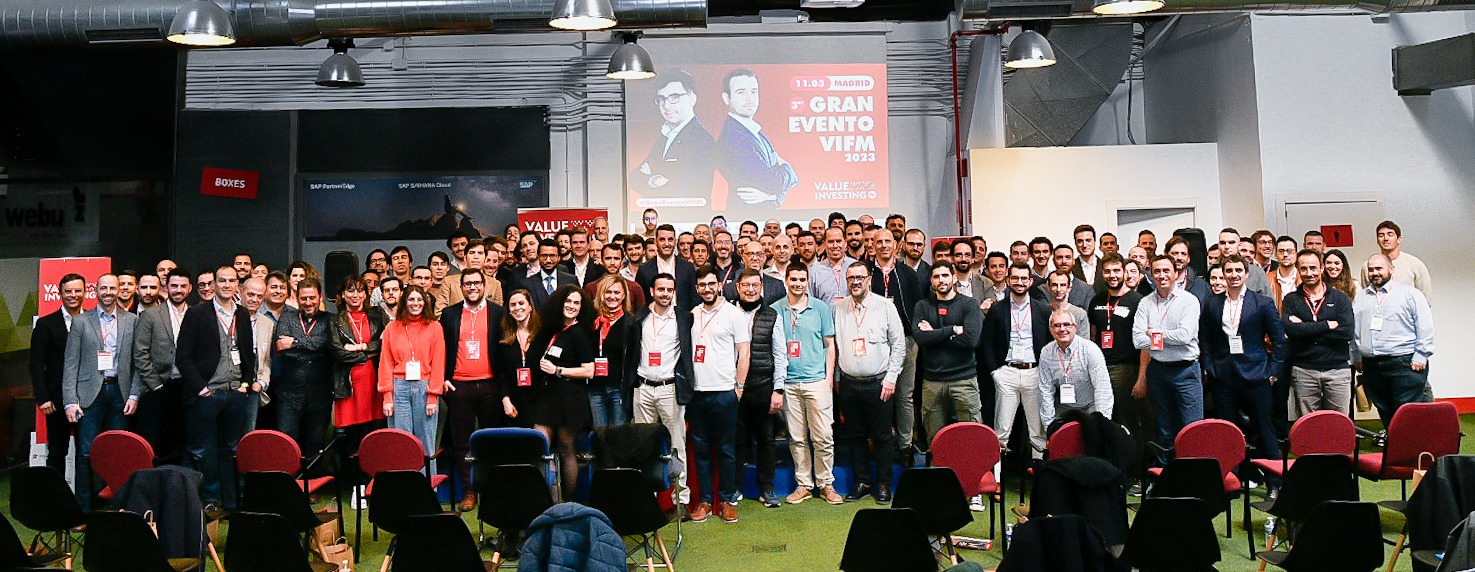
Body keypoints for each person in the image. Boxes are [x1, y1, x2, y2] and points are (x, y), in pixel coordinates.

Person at [174, 266, 255, 510]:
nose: (226, 285)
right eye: (222, 281)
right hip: (207, 394)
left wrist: (245, 385)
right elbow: (183, 357)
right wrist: (201, 389)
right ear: (214, 284)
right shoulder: (197, 314)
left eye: (231, 281)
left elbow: (248, 354)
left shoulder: (242, 313)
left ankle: (231, 503)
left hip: (235, 393)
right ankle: (207, 500)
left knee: (231, 449)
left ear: (237, 285)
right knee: (203, 450)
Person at [1200, 255, 1286, 462]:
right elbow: (1205, 338)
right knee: (1228, 432)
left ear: (1246, 274)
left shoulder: (1262, 303)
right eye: (1229, 271)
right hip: (1223, 376)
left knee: (1265, 429)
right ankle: (1232, 475)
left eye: (1238, 270)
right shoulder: (1212, 303)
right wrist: (1210, 366)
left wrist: (1273, 372)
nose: (1234, 275)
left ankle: (1274, 476)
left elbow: (1279, 340)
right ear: (1223, 274)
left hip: (1256, 375)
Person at [683, 266, 751, 522]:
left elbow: (744, 352)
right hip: (697, 393)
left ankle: (726, 499)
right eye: (702, 285)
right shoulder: (692, 314)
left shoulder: (734, 314)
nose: (707, 289)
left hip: (724, 391)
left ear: (719, 286)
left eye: (711, 284)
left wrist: (739, 387)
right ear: (697, 288)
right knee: (701, 449)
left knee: (726, 449)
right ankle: (704, 501)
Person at [834, 262, 906, 504]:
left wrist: (891, 378)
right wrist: (837, 379)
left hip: (879, 383)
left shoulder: (885, 307)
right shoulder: (839, 308)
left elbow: (899, 345)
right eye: (851, 278)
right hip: (849, 384)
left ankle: (884, 484)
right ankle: (862, 482)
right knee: (855, 436)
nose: (855, 282)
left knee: (882, 437)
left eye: (860, 277)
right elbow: (835, 347)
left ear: (868, 280)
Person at [772, 262, 840, 506]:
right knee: (797, 438)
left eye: (802, 279)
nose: (798, 284)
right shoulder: (775, 309)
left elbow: (829, 345)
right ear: (786, 281)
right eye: (794, 279)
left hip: (817, 381)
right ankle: (804, 485)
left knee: (823, 436)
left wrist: (828, 377)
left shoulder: (820, 308)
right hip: (789, 383)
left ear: (807, 281)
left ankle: (826, 483)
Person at [438, 268, 505, 511]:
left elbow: (504, 349)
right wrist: (444, 379)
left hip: (489, 385)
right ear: (461, 287)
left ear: (484, 286)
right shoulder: (449, 314)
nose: (473, 287)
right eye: (468, 284)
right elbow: (441, 348)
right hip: (459, 386)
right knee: (462, 443)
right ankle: (469, 490)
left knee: (489, 441)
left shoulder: (498, 313)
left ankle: (490, 489)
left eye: (477, 283)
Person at [625, 274, 693, 514]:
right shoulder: (639, 317)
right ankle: (647, 500)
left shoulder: (684, 318)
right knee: (644, 446)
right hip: (642, 388)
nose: (665, 293)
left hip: (670, 388)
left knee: (677, 446)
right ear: (652, 291)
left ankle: (681, 500)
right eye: (661, 289)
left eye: (669, 290)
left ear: (674, 292)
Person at [1088, 254, 1153, 491]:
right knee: (1106, 423)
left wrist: (1142, 378)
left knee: (1130, 424)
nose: (1112, 275)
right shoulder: (1096, 300)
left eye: (1117, 270)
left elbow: (1146, 344)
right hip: (1100, 369)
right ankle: (1112, 473)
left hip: (1128, 369)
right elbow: (1093, 337)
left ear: (1125, 272)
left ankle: (1137, 475)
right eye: (1107, 271)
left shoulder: (1138, 301)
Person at [1133, 255, 1203, 459]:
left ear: (1175, 273)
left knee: (1191, 429)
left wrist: (1153, 333)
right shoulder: (1145, 303)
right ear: (1151, 274)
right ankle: (1165, 472)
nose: (1161, 275)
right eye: (1157, 271)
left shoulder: (1189, 301)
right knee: (1164, 429)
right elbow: (1138, 340)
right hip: (1158, 371)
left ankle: (1190, 471)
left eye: (1166, 271)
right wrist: (1166, 337)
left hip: (1186, 371)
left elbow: (1185, 336)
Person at [1354, 254, 1435, 426]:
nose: (1375, 273)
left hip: (1404, 363)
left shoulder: (1410, 294)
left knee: (1406, 413)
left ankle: (1411, 443)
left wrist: (1421, 355)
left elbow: (1425, 326)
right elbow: (1355, 330)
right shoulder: (1361, 297)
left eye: (1379, 268)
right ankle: (1393, 443)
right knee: (1385, 411)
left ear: (1391, 269)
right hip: (1372, 365)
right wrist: (1356, 356)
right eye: (1371, 269)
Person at [983, 264, 1054, 459]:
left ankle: (1039, 471)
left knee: (1037, 431)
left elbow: (1051, 343)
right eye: (1015, 278)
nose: (1019, 282)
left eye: (1024, 278)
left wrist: (1044, 372)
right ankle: (998, 473)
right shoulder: (997, 309)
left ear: (1030, 281)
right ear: (1008, 280)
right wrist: (995, 372)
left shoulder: (1042, 309)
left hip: (1034, 372)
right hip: (1007, 372)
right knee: (1002, 430)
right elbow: (987, 342)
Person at [327, 275, 386, 508]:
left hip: (375, 383)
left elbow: (383, 344)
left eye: (360, 291)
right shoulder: (335, 320)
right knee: (353, 440)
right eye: (350, 291)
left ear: (365, 294)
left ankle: (376, 485)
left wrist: (360, 347)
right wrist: (367, 354)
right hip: (348, 385)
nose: (355, 295)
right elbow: (337, 352)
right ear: (342, 295)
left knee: (374, 437)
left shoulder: (377, 316)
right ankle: (357, 488)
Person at [535, 285, 596, 501]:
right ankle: (549, 501)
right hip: (548, 396)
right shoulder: (555, 330)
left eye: (576, 303)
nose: (571, 306)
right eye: (568, 301)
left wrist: (558, 370)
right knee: (540, 446)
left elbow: (589, 370)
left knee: (566, 449)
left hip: (570, 397)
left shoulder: (579, 333)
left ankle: (569, 503)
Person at [732, 269, 787, 509]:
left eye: (755, 285)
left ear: (761, 287)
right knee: (736, 440)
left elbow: (780, 354)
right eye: (746, 285)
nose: (751, 289)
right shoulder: (728, 313)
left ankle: (767, 488)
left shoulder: (772, 315)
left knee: (766, 440)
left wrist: (778, 389)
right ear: (738, 287)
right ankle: (734, 487)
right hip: (734, 389)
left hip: (763, 387)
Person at [912, 262, 985, 440]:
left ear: (953, 278)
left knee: (972, 437)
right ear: (931, 280)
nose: (941, 280)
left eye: (945, 275)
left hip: (963, 379)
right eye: (936, 277)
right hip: (932, 381)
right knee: (935, 439)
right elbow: (921, 338)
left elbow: (971, 340)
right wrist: (952, 330)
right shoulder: (922, 306)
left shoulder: (969, 304)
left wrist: (933, 334)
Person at [377, 285, 446, 471]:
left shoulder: (435, 327)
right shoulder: (392, 327)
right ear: (404, 302)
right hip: (399, 388)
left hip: (425, 388)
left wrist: (433, 396)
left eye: (419, 299)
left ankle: (428, 485)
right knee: (401, 442)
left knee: (426, 444)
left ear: (425, 302)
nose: (416, 303)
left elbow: (439, 362)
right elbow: (385, 362)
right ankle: (405, 485)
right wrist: (387, 396)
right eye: (411, 299)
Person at [1282, 250, 1355, 414]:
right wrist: (1326, 325)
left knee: (1338, 422)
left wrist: (1305, 329)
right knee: (1308, 423)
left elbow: (1347, 332)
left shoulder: (1340, 298)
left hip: (1337, 370)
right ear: (1298, 270)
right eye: (1304, 269)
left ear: (1322, 268)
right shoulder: (1291, 300)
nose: (1309, 273)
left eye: (1313, 268)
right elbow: (1290, 330)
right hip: (1304, 371)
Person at [132, 268, 192, 460]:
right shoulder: (151, 315)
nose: (178, 290)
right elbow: (140, 352)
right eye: (174, 286)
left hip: (186, 388)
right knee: (151, 443)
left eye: (183, 286)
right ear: (166, 287)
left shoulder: (196, 314)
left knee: (179, 442)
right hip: (157, 387)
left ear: (190, 288)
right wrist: (155, 384)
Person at [273, 278, 335, 456]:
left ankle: (313, 475)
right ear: (297, 298)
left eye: (312, 298)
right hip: (289, 395)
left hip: (320, 396)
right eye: (303, 298)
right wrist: (315, 349)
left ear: (320, 296)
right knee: (286, 443)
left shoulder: (330, 320)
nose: (308, 302)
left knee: (315, 444)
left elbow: (327, 344)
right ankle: (289, 475)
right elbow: (284, 350)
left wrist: (295, 342)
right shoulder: (287, 317)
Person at [717, 69, 798, 206]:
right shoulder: (735, 139)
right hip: (746, 215)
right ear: (726, 98)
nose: (749, 98)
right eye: (741, 92)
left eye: (753, 92)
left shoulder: (754, 131)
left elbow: (775, 184)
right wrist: (788, 170)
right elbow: (773, 183)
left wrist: (770, 195)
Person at [31, 273, 85, 474]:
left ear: (85, 292)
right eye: (68, 291)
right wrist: (43, 398)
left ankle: (86, 494)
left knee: (87, 452)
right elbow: (36, 363)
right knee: (56, 451)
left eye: (77, 290)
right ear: (60, 293)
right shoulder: (46, 324)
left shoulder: (93, 320)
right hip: (56, 399)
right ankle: (56, 493)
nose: (73, 295)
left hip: (88, 397)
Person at [1037, 308, 1113, 428]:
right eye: (1057, 325)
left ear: (1075, 327)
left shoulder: (1090, 350)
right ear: (1051, 330)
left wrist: (1102, 423)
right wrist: (1049, 426)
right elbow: (1045, 390)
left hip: (1091, 407)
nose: (1062, 329)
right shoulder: (1046, 352)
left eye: (1067, 324)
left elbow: (1102, 389)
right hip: (1064, 408)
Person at [588, 275, 634, 428]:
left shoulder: (630, 322)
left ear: (624, 295)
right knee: (599, 435)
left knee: (618, 436)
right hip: (595, 388)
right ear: (601, 294)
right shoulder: (592, 320)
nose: (612, 296)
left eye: (616, 292)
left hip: (618, 388)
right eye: (608, 292)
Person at [636, 224, 698, 312]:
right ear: (655, 242)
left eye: (670, 239)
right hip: (653, 318)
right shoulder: (644, 270)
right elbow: (640, 302)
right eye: (662, 239)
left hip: (682, 318)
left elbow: (694, 298)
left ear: (675, 242)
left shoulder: (687, 268)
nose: (666, 244)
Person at [1374, 220, 1433, 302]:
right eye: (1381, 235)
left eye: (1390, 235)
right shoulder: (1369, 267)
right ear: (1377, 240)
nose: (1386, 238)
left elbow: (1425, 299)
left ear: (1399, 239)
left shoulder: (1415, 264)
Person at [520, 239, 578, 307]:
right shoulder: (527, 284)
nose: (548, 260)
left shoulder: (571, 281)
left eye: (552, 256)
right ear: (538, 257)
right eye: (544, 256)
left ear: (559, 257)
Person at [725, 240, 784, 304]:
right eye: (750, 254)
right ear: (743, 257)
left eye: (759, 254)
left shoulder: (778, 286)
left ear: (764, 258)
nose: (755, 258)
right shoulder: (729, 288)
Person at [810, 227, 857, 307]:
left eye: (838, 241)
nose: (835, 246)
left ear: (845, 243)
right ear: (824, 244)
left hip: (853, 314)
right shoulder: (814, 271)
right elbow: (810, 302)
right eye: (831, 242)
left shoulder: (857, 267)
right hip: (825, 314)